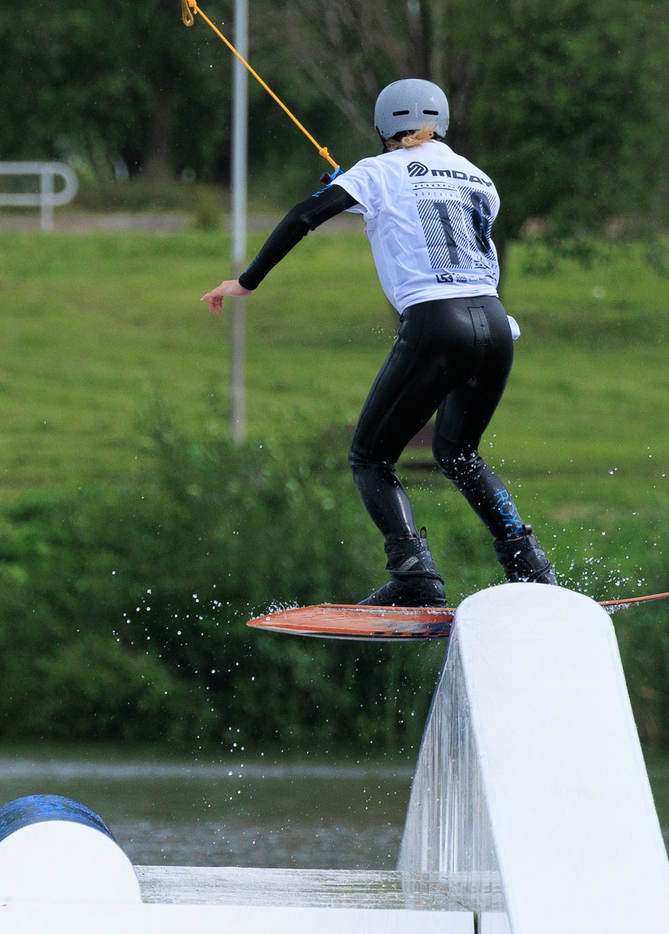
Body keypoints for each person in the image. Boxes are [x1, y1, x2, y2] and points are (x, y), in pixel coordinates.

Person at [201, 78, 557, 606]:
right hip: (496, 324)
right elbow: (428, 212)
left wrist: (245, 280)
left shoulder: (377, 171)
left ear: (383, 128)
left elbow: (304, 216)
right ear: (442, 123)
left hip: (438, 326)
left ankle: (413, 575)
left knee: (370, 457)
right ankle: (530, 568)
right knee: (460, 453)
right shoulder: (480, 178)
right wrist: (356, 191)